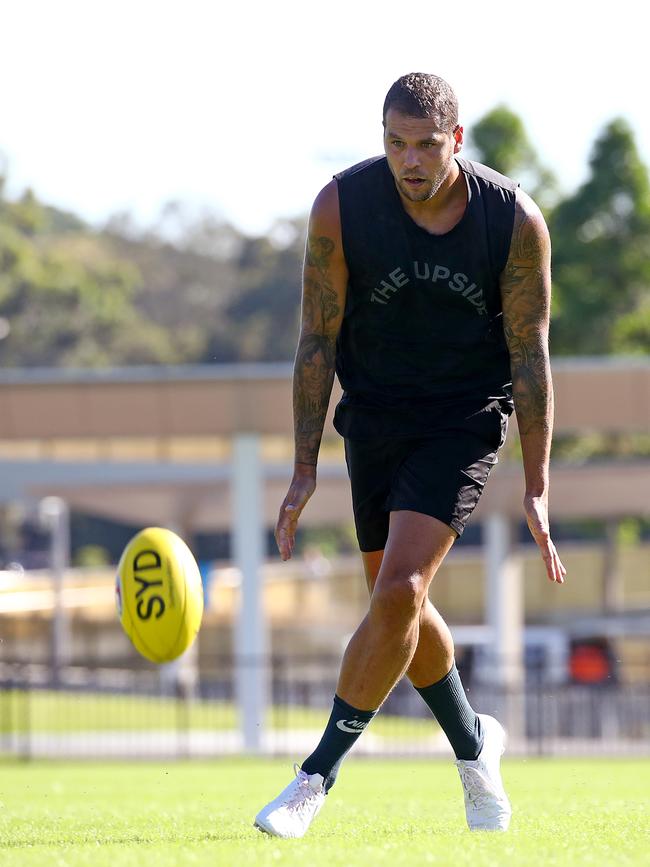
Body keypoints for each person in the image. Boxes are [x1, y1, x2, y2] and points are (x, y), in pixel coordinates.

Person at [255, 72, 566, 838]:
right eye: (397, 144)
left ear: (456, 140)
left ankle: (314, 774)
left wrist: (537, 483)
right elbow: (317, 338)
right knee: (400, 606)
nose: (411, 162)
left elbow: (529, 354)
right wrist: (303, 466)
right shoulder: (342, 207)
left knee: (398, 589)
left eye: (427, 144)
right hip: (377, 415)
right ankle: (473, 744)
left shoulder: (512, 221)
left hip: (463, 418)